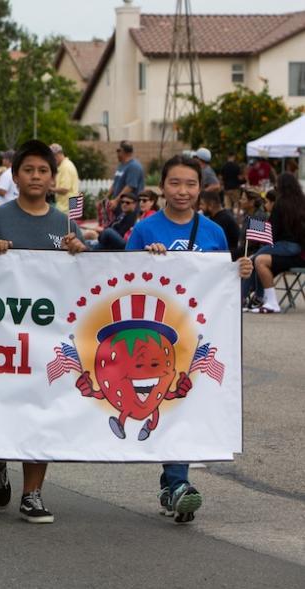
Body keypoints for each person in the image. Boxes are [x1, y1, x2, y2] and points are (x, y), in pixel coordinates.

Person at [0, 139, 88, 524]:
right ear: (15, 175)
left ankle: (33, 493)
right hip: (1, 336)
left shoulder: (64, 223)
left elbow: (89, 278)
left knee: (40, 412)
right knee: (1, 408)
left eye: (44, 170)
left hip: (47, 337)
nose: (36, 176)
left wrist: (80, 251)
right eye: (29, 170)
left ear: (53, 177)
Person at [126, 155, 252, 524]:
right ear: (162, 186)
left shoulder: (213, 232)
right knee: (167, 401)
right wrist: (146, 261)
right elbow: (122, 278)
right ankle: (178, 484)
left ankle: (173, 484)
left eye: (191, 184)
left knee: (183, 403)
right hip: (155, 338)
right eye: (175, 183)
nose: (183, 191)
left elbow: (225, 289)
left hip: (198, 337)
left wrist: (240, 271)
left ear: (202, 188)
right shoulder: (145, 230)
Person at [243, 173, 305, 314]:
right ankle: (257, 297)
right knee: (257, 259)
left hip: (285, 244)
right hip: (298, 248)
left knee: (253, 259)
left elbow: (272, 230)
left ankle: (246, 297)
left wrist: (253, 226)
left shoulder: (281, 204)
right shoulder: (302, 202)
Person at [104, 141, 145, 227]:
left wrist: (116, 201)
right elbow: (115, 183)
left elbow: (130, 186)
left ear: (123, 151)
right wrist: (106, 197)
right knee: (114, 227)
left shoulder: (134, 167)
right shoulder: (121, 165)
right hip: (119, 206)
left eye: (118, 150)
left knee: (123, 230)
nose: (117, 153)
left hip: (129, 207)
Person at [198, 191, 239, 260]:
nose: (200, 207)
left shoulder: (223, 220)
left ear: (211, 204)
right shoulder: (216, 217)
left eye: (202, 204)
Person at [49, 143, 80, 213]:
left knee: (63, 223)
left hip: (66, 206)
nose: (51, 160)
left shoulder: (65, 167)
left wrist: (49, 189)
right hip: (68, 204)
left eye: (52, 157)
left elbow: (64, 189)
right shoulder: (65, 165)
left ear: (58, 154)